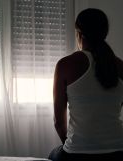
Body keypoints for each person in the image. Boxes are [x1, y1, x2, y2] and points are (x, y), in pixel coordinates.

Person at [48, 8, 123, 161]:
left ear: (79, 34)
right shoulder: (121, 66)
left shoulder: (65, 65)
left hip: (78, 153)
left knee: (52, 155)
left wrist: (71, 146)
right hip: (118, 149)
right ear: (104, 33)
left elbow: (58, 122)